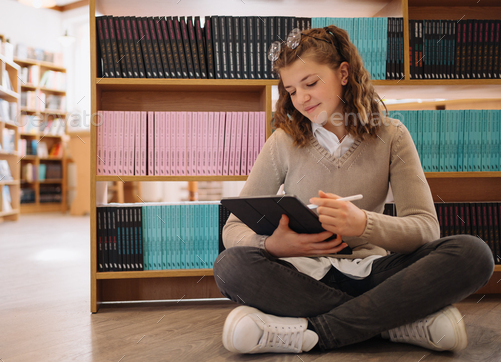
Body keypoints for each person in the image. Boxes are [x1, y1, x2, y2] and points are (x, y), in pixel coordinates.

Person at [212, 25, 495, 355]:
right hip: (302, 275)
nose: (301, 98)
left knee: (473, 254)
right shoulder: (283, 142)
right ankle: (393, 321)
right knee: (230, 266)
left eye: (311, 83)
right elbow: (234, 228)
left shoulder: (392, 136)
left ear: (343, 74)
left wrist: (365, 225)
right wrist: (271, 245)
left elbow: (426, 229)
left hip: (374, 272)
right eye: (291, 90)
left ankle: (317, 331)